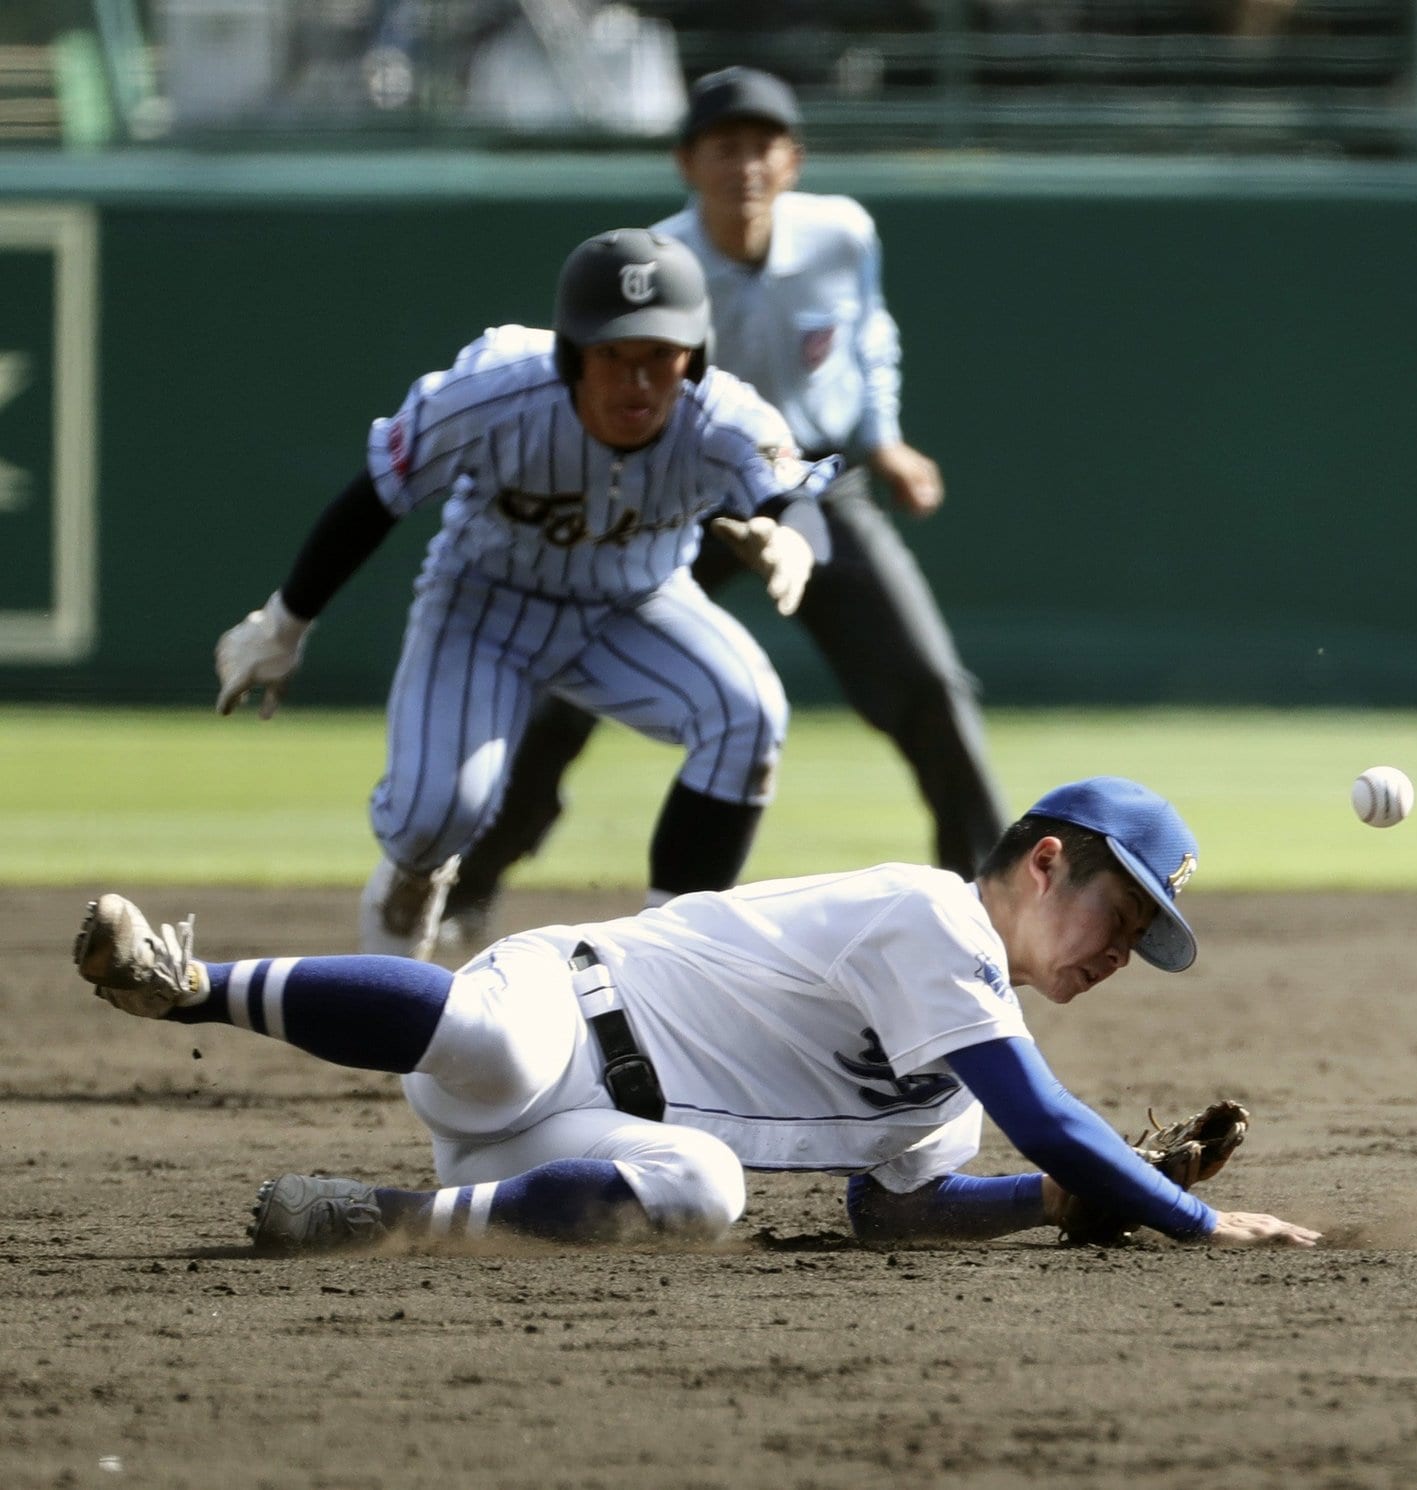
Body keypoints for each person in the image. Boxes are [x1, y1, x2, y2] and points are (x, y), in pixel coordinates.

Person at [73, 776, 1319, 1253]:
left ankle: (381, 1216)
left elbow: (895, 1210)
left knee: (706, 1190)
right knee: (495, 1035)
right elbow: (1042, 1114)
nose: (1123, 951)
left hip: (553, 1157)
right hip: (558, 1011)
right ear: (1046, 862)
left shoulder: (957, 1058)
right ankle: (189, 984)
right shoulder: (933, 918)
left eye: (1143, 939)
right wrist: (1196, 1216)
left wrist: (1044, 1202)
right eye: (1122, 911)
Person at [442, 66, 1008, 948]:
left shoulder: (841, 234)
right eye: (724, 147)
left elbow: (869, 336)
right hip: (677, 495)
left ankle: (991, 903)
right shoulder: (654, 268)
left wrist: (884, 437)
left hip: (809, 486)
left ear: (792, 161)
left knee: (928, 682)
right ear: (687, 163)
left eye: (762, 146)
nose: (745, 164)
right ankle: (469, 883)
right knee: (563, 697)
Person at [213, 226, 839, 957]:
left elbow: (795, 498)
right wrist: (285, 623)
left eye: (658, 356)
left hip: (633, 606)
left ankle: (672, 963)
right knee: (434, 817)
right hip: (485, 603)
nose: (637, 381)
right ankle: (409, 897)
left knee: (749, 713)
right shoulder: (496, 388)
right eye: (614, 355)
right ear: (573, 352)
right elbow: (378, 497)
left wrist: (793, 537)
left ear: (693, 356)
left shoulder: (722, 416)